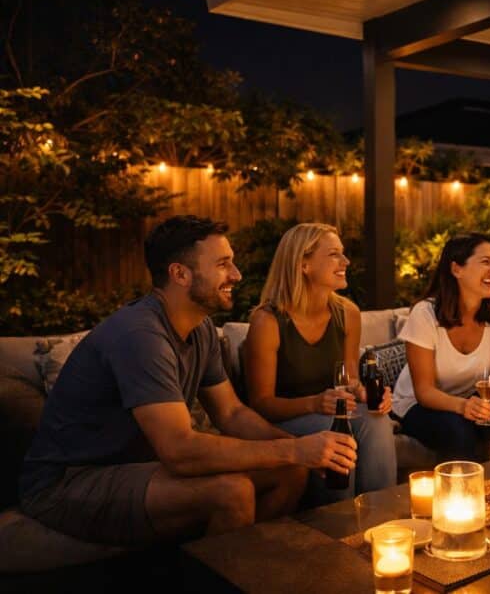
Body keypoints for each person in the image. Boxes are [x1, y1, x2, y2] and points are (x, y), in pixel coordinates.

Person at [18, 216, 356, 546]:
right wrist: (294, 448)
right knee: (231, 491)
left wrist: (307, 453)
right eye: (223, 264)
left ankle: (259, 570)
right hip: (72, 480)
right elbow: (180, 449)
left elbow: (232, 414)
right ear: (180, 274)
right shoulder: (141, 335)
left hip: (140, 469)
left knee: (291, 472)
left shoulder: (200, 327)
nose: (236, 275)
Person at [243, 223, 396, 500]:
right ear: (303, 264)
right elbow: (261, 404)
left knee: (376, 420)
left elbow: (349, 380)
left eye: (343, 254)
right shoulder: (267, 321)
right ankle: (338, 527)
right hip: (284, 423)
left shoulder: (347, 313)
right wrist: (314, 403)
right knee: (337, 430)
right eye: (334, 254)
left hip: (330, 415)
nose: (346, 261)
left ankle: (382, 517)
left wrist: (362, 392)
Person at [393, 233, 490, 461]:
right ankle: (465, 493)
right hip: (419, 404)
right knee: (458, 430)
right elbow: (424, 392)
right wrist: (463, 407)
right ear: (456, 269)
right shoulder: (424, 314)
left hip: (474, 397)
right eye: (485, 262)